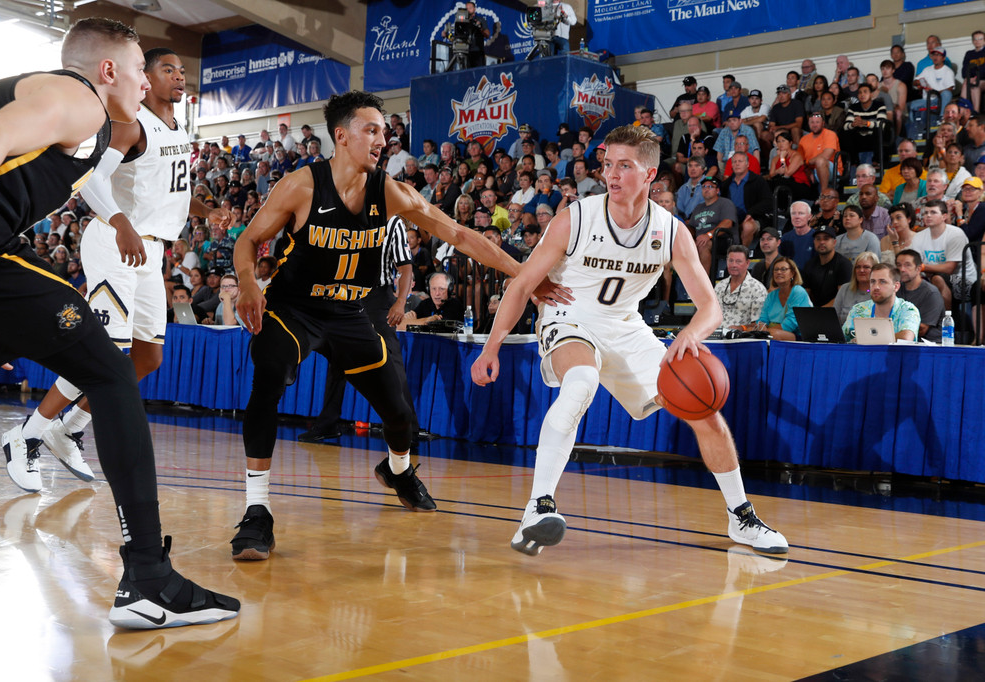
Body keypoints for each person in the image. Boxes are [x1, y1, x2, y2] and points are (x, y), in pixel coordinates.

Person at [0, 16, 238, 624]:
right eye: (142, 69)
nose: (146, 82)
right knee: (111, 375)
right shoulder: (79, 98)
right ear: (109, 71)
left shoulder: (96, 117)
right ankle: (146, 578)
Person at [227, 91, 563, 560]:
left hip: (349, 313)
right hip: (293, 311)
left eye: (385, 132)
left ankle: (399, 469)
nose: (383, 139)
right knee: (268, 375)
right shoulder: (301, 186)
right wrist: (247, 282)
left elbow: (462, 235)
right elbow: (249, 239)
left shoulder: (390, 191)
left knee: (400, 413)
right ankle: (257, 512)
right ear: (341, 136)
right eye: (372, 130)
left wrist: (526, 277)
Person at [470, 125, 787, 557]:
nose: (612, 174)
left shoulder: (670, 231)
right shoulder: (575, 218)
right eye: (607, 165)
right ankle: (537, 508)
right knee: (580, 383)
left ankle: (742, 518)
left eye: (624, 165)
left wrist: (691, 334)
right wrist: (492, 346)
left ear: (650, 174)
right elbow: (522, 284)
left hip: (626, 324)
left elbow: (709, 307)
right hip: (569, 315)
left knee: (703, 408)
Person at [1, 47, 228, 494]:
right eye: (168, 69)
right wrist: (120, 222)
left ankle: (70, 428)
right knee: (107, 348)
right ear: (145, 76)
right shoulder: (130, 122)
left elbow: (171, 191)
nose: (179, 76)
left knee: (148, 356)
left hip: (149, 247)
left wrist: (207, 209)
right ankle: (27, 433)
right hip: (115, 241)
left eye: (183, 70)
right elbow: (92, 179)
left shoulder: (175, 126)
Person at [300, 215, 417, 442]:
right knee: (338, 359)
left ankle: (407, 428)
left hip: (378, 296)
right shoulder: (345, 215)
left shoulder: (392, 222)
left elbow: (405, 266)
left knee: (391, 360)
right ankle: (328, 423)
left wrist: (400, 301)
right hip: (347, 293)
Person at [911, 199, 976, 309]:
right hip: (931, 277)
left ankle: (945, 321)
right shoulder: (918, 237)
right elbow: (914, 264)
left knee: (937, 279)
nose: (928, 216)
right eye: (925, 213)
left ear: (944, 216)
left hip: (966, 282)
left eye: (933, 212)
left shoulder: (956, 234)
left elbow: (949, 268)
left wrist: (921, 267)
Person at [842, 264, 921, 342]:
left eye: (882, 282)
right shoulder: (859, 309)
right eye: (873, 281)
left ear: (896, 286)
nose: (876, 287)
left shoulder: (908, 309)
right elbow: (841, 338)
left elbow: (906, 337)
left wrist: (866, 339)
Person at [756, 256, 812, 341]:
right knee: (750, 331)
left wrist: (766, 332)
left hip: (800, 336)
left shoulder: (798, 292)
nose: (779, 272)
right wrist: (760, 328)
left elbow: (790, 324)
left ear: (792, 273)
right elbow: (763, 319)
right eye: (776, 269)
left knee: (774, 335)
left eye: (783, 269)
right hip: (772, 333)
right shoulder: (771, 295)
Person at [895, 249, 945, 342]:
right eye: (899, 265)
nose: (902, 269)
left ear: (918, 269)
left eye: (907, 265)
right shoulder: (896, 289)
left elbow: (922, 329)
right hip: (902, 341)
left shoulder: (931, 293)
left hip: (929, 344)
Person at [715, 245, 767, 328]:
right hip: (716, 335)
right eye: (731, 261)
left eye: (738, 261)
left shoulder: (757, 289)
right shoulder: (719, 286)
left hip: (742, 337)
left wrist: (740, 328)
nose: (733, 265)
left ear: (747, 263)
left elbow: (758, 324)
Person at [802, 225, 852, 308]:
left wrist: (820, 311)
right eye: (818, 239)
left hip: (838, 313)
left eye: (826, 239)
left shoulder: (844, 264)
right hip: (813, 312)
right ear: (814, 242)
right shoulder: (809, 264)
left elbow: (842, 297)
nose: (822, 242)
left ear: (834, 242)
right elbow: (806, 294)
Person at [833, 251, 878, 324]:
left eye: (866, 267)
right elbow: (834, 317)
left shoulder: (879, 292)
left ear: (875, 270)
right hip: (842, 334)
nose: (861, 270)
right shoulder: (845, 288)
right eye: (858, 267)